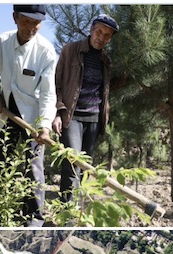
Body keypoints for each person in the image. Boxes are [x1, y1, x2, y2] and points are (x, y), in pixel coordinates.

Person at [0, 5, 57, 227]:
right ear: (15, 18)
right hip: (5, 114)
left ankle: (34, 218)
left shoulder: (46, 51)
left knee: (34, 168)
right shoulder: (2, 42)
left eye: (36, 23)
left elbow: (48, 94)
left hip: (33, 120)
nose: (31, 28)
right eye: (26, 21)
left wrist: (45, 126)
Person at [52, 13, 121, 201]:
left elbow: (104, 90)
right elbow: (57, 83)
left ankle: (78, 210)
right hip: (71, 117)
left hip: (94, 120)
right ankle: (66, 209)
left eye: (107, 35)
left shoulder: (105, 60)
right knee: (73, 162)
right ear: (91, 30)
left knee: (86, 168)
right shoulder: (70, 50)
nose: (101, 38)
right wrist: (58, 112)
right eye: (99, 32)